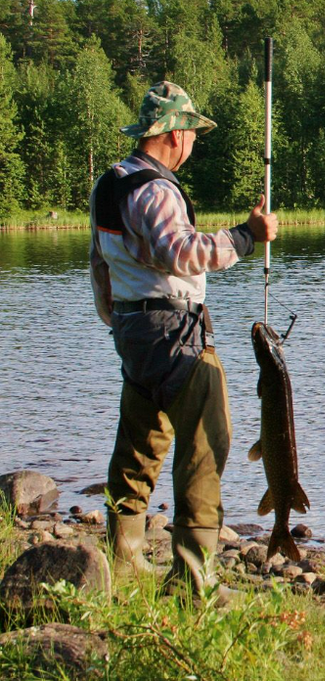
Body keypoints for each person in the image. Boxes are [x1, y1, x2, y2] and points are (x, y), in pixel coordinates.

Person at [89, 81, 278, 594]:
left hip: (133, 329)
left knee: (139, 444)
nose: (193, 143)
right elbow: (183, 252)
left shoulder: (110, 183)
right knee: (205, 443)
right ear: (172, 134)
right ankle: (195, 581)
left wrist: (119, 323)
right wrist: (246, 235)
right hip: (175, 331)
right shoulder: (156, 188)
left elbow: (100, 266)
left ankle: (122, 557)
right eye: (191, 132)